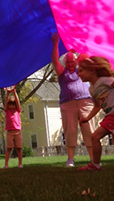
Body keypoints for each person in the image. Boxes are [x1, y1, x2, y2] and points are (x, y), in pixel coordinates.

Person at [52, 33, 94, 167]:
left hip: (85, 103)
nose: (70, 64)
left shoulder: (82, 69)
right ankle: (70, 159)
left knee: (89, 131)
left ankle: (93, 159)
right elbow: (54, 60)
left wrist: (76, 46)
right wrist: (55, 44)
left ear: (76, 62)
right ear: (65, 63)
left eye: (72, 62)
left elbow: (87, 57)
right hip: (68, 105)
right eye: (68, 62)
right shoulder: (62, 73)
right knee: (70, 131)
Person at [77, 55, 114, 171]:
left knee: (95, 136)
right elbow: (97, 106)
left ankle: (95, 164)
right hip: (109, 115)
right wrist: (87, 118)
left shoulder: (105, 81)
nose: (79, 74)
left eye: (81, 71)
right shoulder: (91, 89)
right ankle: (95, 164)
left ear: (92, 70)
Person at [4, 86, 23, 169]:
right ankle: (6, 164)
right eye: (10, 105)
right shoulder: (7, 111)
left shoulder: (17, 110)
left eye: (13, 105)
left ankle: (20, 164)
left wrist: (14, 93)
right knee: (9, 148)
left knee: (19, 148)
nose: (11, 106)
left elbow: (18, 103)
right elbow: (5, 103)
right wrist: (8, 93)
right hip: (9, 132)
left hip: (17, 132)